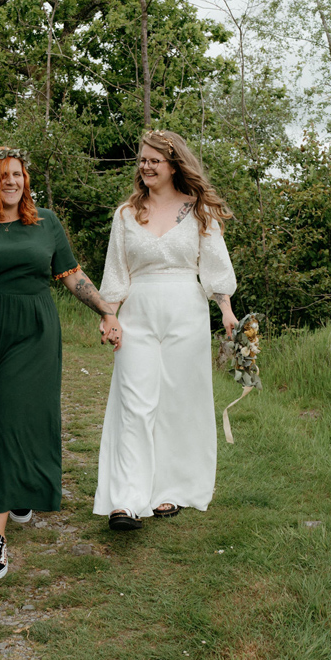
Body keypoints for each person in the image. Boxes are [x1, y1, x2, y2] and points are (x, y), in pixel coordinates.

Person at [0, 147, 122, 579]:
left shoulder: (46, 223)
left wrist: (106, 310)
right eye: (3, 176)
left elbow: (72, 274)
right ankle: (16, 481)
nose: (12, 182)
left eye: (18, 175)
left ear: (26, 179)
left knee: (10, 419)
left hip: (33, 332)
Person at [94, 129, 238, 531]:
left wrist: (225, 309)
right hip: (138, 312)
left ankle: (169, 490)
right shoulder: (126, 214)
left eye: (154, 160)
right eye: (142, 160)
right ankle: (125, 500)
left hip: (186, 312)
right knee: (135, 402)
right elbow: (116, 272)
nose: (146, 166)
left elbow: (214, 265)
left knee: (177, 401)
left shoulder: (198, 211)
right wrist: (110, 314)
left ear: (174, 165)